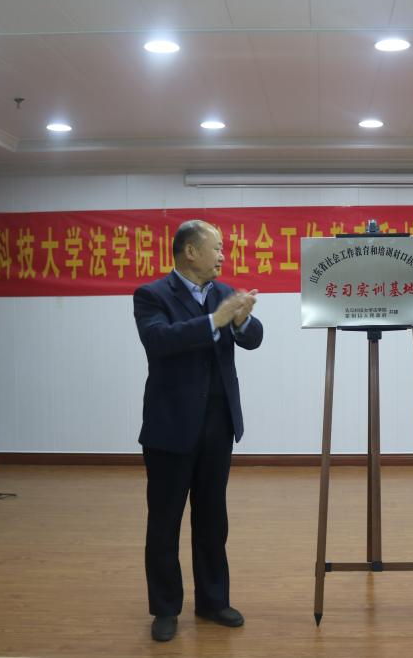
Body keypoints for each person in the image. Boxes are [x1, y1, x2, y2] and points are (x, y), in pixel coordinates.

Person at [133, 219, 263, 642]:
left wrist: (240, 320)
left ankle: (212, 601)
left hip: (217, 425)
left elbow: (254, 338)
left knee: (212, 519)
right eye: (217, 247)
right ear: (190, 251)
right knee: (164, 522)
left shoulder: (224, 293)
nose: (223, 255)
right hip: (170, 426)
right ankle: (165, 608)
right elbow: (159, 340)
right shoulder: (152, 295)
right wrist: (214, 320)